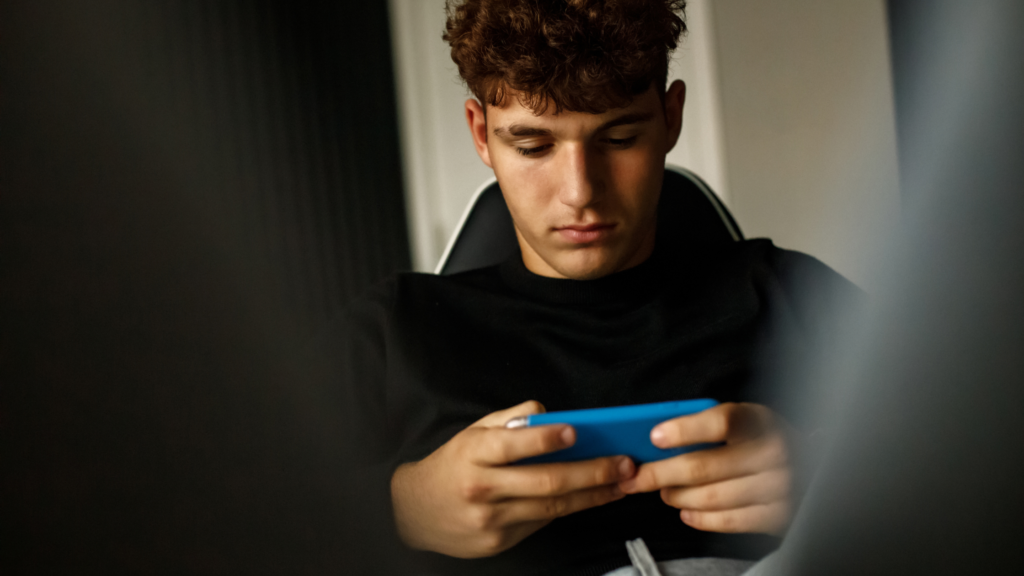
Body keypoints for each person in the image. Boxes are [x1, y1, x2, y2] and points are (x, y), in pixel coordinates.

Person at [327, 1, 859, 574]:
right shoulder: (395, 333)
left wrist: (837, 478)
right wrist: (400, 509)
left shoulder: (791, 298)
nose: (580, 192)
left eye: (621, 138)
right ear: (481, 135)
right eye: (533, 147)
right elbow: (233, 519)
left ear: (670, 117)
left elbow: (964, 457)